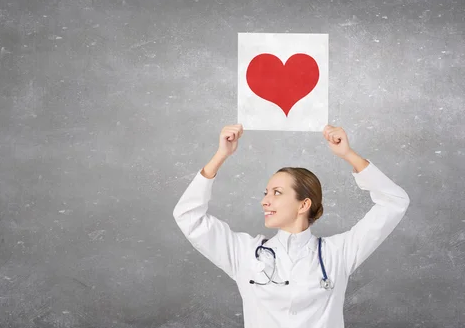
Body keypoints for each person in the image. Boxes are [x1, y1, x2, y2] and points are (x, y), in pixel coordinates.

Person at [173, 124, 410, 328]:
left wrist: (348, 154)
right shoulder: (244, 253)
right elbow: (187, 216)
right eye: (266, 193)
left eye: (277, 193)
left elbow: (394, 202)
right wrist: (220, 155)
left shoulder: (338, 253)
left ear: (303, 204)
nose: (265, 200)